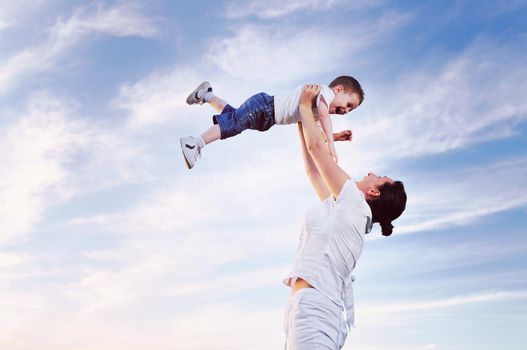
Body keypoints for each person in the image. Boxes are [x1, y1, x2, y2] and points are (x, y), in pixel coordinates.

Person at [283, 85, 407, 349]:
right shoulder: (346, 210)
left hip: (315, 311)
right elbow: (312, 170)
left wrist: (306, 105)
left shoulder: (354, 202)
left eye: (379, 177)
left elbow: (318, 149)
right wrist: (301, 122)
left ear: (374, 191)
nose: (372, 172)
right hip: (309, 309)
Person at [179, 76, 364, 169]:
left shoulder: (313, 111)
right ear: (338, 89)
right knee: (233, 124)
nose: (346, 111)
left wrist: (334, 137)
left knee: (233, 118)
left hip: (266, 118)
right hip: (264, 107)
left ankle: (207, 94)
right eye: (348, 104)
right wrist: (332, 145)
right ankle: (194, 143)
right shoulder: (323, 92)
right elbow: (325, 116)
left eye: (350, 110)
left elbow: (318, 134)